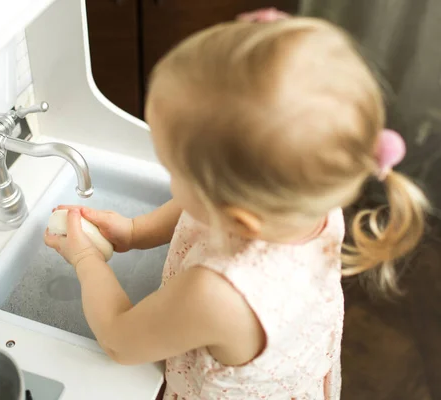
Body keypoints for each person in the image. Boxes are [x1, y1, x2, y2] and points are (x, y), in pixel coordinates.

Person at [45, 8, 429, 400]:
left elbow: (118, 340)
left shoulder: (216, 294)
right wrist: (135, 231)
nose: (169, 178)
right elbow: (199, 212)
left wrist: (84, 259)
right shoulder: (303, 201)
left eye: (173, 169)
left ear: (236, 216)